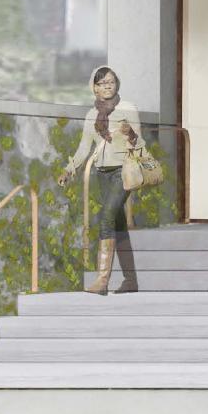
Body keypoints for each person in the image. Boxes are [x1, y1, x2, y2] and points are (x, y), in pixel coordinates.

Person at [58, 66, 142, 294]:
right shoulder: (91, 115)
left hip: (122, 172)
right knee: (118, 225)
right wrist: (69, 170)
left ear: (117, 84)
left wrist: (130, 133)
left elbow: (140, 143)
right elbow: (84, 147)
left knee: (105, 218)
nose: (107, 86)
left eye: (111, 82)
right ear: (94, 88)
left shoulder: (128, 109)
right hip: (102, 174)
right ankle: (131, 281)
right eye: (102, 83)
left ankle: (102, 281)